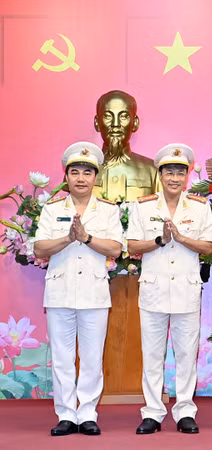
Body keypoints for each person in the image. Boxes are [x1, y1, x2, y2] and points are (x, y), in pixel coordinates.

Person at [33, 142, 123, 436]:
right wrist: (68, 238)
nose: (81, 178)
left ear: (95, 177)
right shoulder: (52, 209)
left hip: (94, 295)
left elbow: (116, 248)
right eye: (75, 172)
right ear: (66, 176)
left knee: (92, 357)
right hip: (60, 293)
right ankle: (66, 414)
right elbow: (40, 247)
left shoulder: (108, 211)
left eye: (87, 172)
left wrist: (86, 237)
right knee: (61, 356)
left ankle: (87, 413)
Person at [127, 144, 212, 434]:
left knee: (187, 354)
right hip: (153, 290)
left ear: (187, 175)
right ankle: (152, 412)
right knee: (152, 355)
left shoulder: (201, 208)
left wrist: (181, 237)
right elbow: (132, 246)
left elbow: (208, 247)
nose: (174, 177)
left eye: (180, 172)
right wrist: (161, 240)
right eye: (169, 172)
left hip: (187, 292)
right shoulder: (142, 206)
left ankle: (185, 411)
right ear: (160, 174)